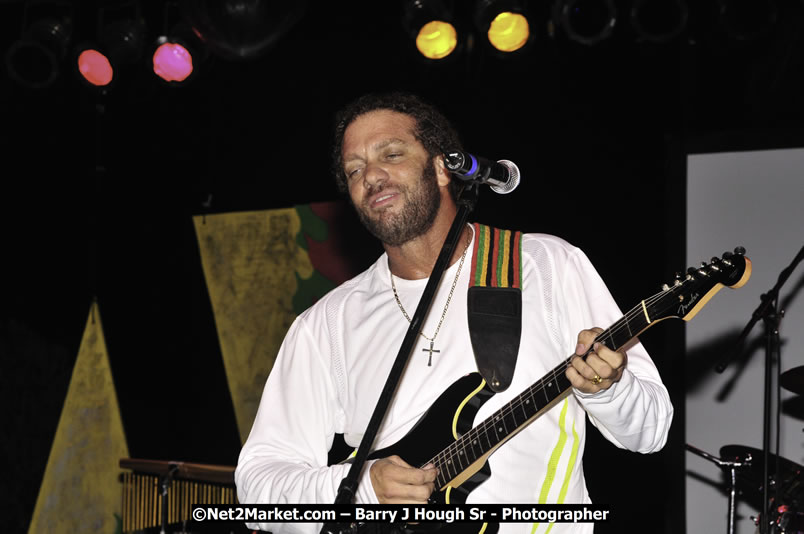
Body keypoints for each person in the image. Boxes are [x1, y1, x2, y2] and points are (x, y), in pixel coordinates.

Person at [234, 92, 674, 533]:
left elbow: (651, 430)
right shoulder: (327, 323)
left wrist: (607, 390)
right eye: (354, 169)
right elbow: (258, 487)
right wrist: (360, 488)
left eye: (391, 154)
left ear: (444, 168)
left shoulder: (543, 265)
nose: (372, 176)